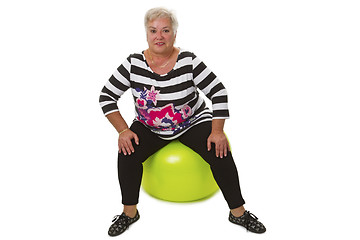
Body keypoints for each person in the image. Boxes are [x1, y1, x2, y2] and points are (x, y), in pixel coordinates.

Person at [99, 7, 266, 236]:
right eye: (153, 31)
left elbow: (218, 92)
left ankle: (238, 213)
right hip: (149, 126)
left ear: (174, 34)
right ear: (146, 34)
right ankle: (129, 213)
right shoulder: (133, 63)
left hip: (191, 122)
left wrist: (217, 131)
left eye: (165, 30)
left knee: (220, 150)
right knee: (126, 152)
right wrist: (123, 130)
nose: (159, 36)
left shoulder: (188, 61)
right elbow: (106, 96)